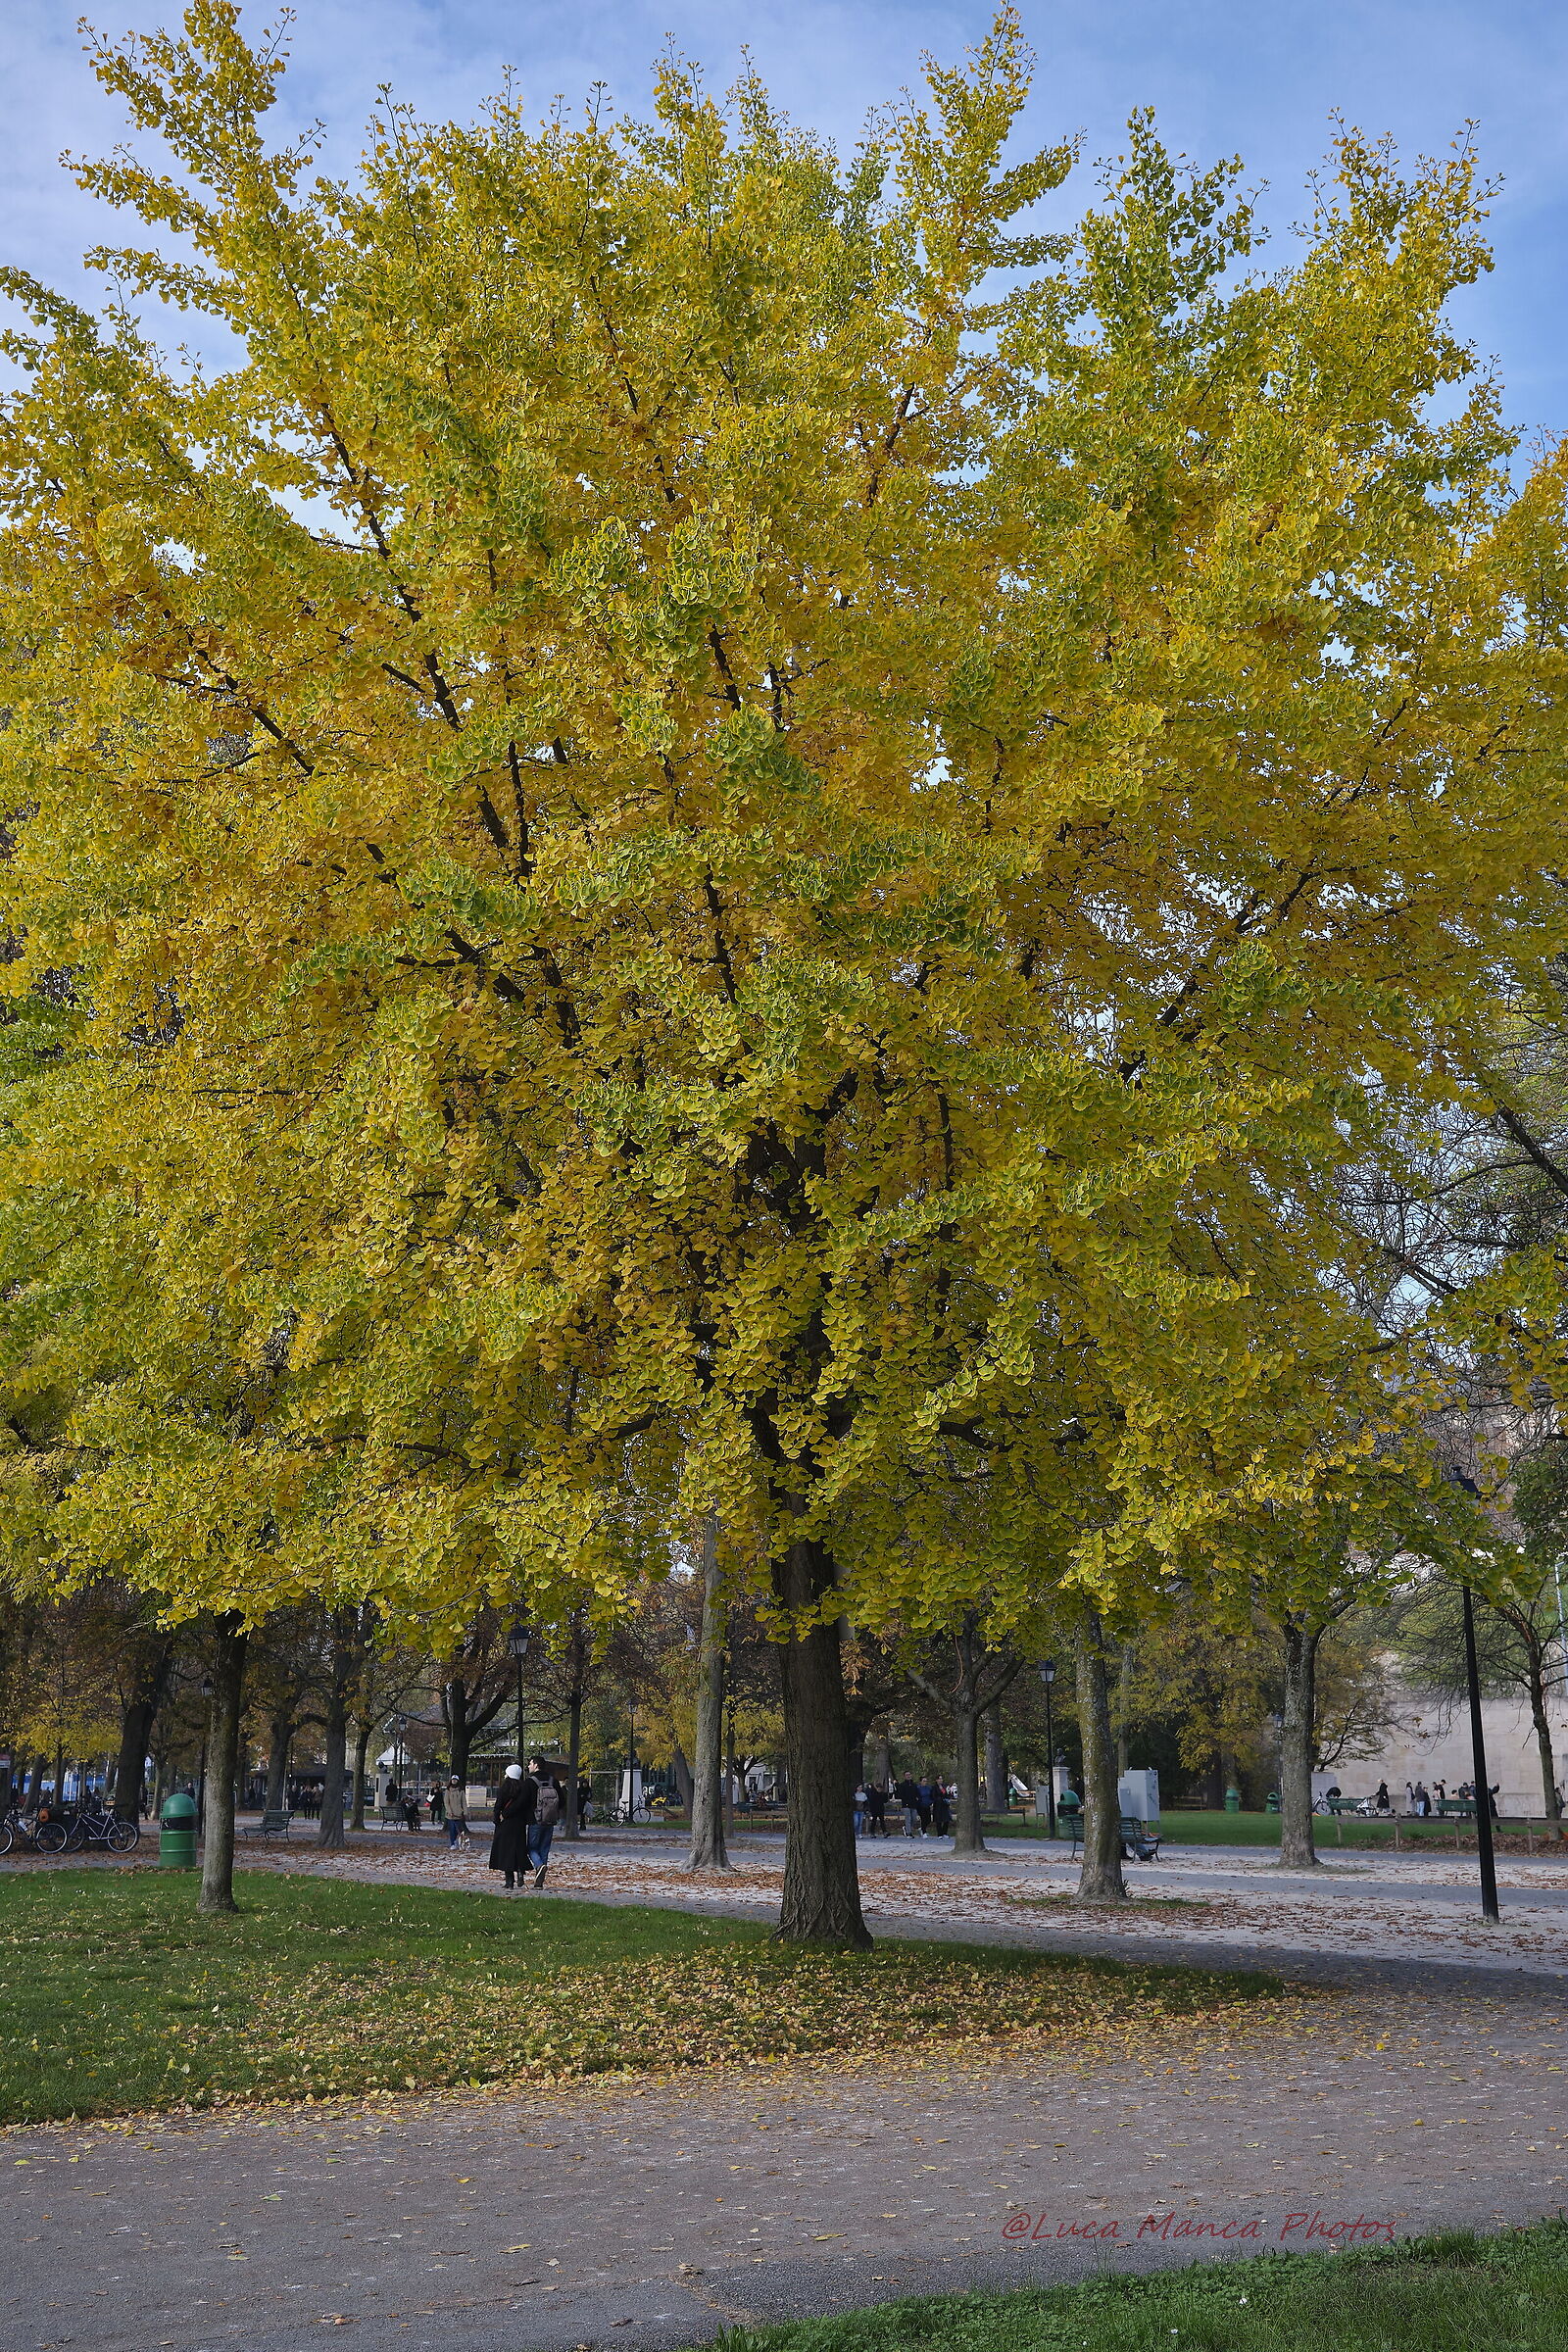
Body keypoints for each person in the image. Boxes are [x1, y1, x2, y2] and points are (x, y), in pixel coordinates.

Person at [488, 1762, 534, 1891]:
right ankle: (520, 1870)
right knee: (518, 1849)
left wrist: (497, 1819)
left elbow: (498, 1805)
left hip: (506, 1823)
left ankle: (509, 1881)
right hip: (519, 1823)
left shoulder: (505, 1787)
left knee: (505, 1852)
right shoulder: (525, 1787)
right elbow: (527, 1806)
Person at [527, 1755, 562, 1886]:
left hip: (535, 1820)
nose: (529, 1766)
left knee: (531, 1848)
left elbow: (525, 1801)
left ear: (536, 1765)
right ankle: (539, 1879)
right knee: (544, 1848)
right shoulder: (553, 1780)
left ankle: (539, 1865)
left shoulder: (531, 1781)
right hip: (550, 1820)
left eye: (530, 1764)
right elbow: (561, 1801)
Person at [445, 1775, 469, 1851]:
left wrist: (465, 1812)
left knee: (458, 1829)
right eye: (453, 1780)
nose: (454, 1781)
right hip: (451, 1814)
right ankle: (452, 1843)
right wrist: (449, 1811)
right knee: (452, 1829)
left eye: (455, 1780)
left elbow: (464, 1802)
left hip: (459, 1814)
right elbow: (446, 1802)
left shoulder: (461, 1791)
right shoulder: (448, 1790)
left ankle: (457, 1841)